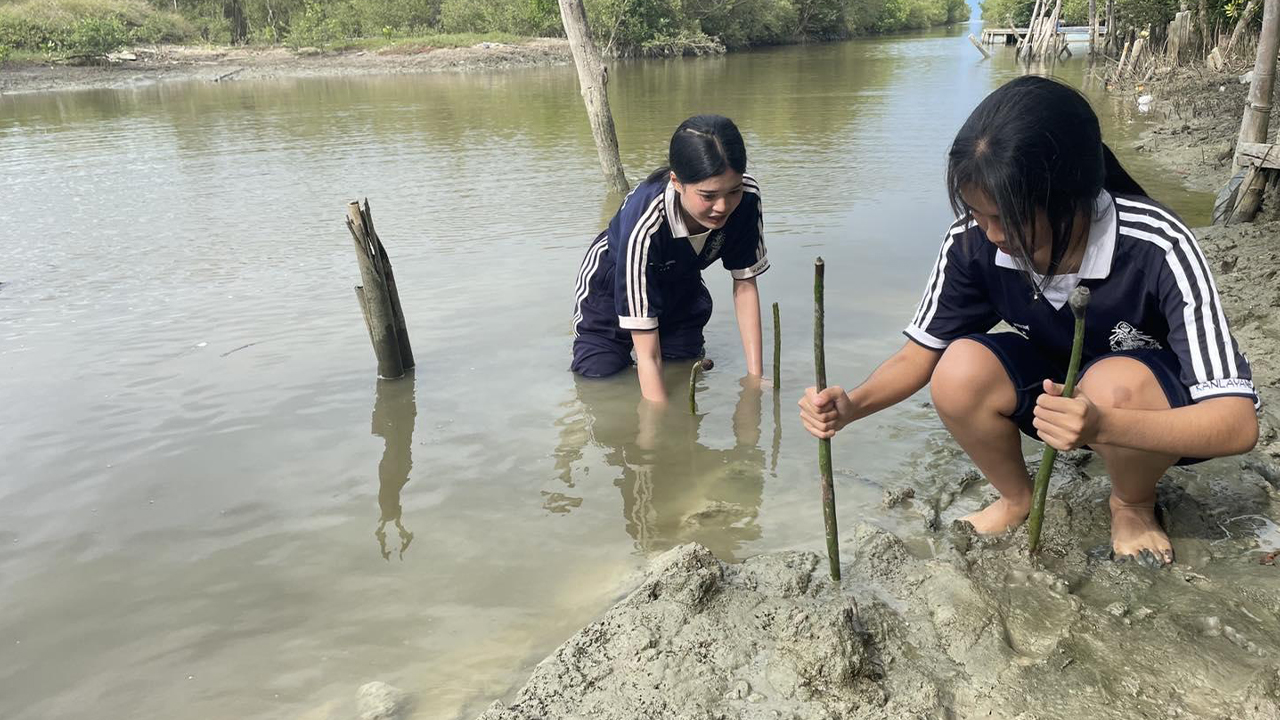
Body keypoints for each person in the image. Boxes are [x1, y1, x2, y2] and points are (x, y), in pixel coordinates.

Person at [798, 76, 1259, 566]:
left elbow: (1235, 424)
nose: (992, 234)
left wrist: (1103, 423)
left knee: (1112, 383)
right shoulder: (970, 243)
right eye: (978, 213)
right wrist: (852, 406)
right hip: (1054, 405)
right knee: (959, 368)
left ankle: (1132, 503)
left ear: (1072, 195)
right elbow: (919, 354)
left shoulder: (1156, 243)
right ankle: (1017, 497)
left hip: (1146, 410)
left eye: (1008, 217)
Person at [571, 115, 768, 402]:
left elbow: (745, 284)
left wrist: (754, 379)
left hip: (679, 279)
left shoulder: (747, 198)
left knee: (683, 367)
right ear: (677, 182)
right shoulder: (645, 224)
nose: (723, 206)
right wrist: (658, 422)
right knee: (600, 379)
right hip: (612, 287)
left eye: (733, 191)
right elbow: (648, 357)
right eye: (708, 196)